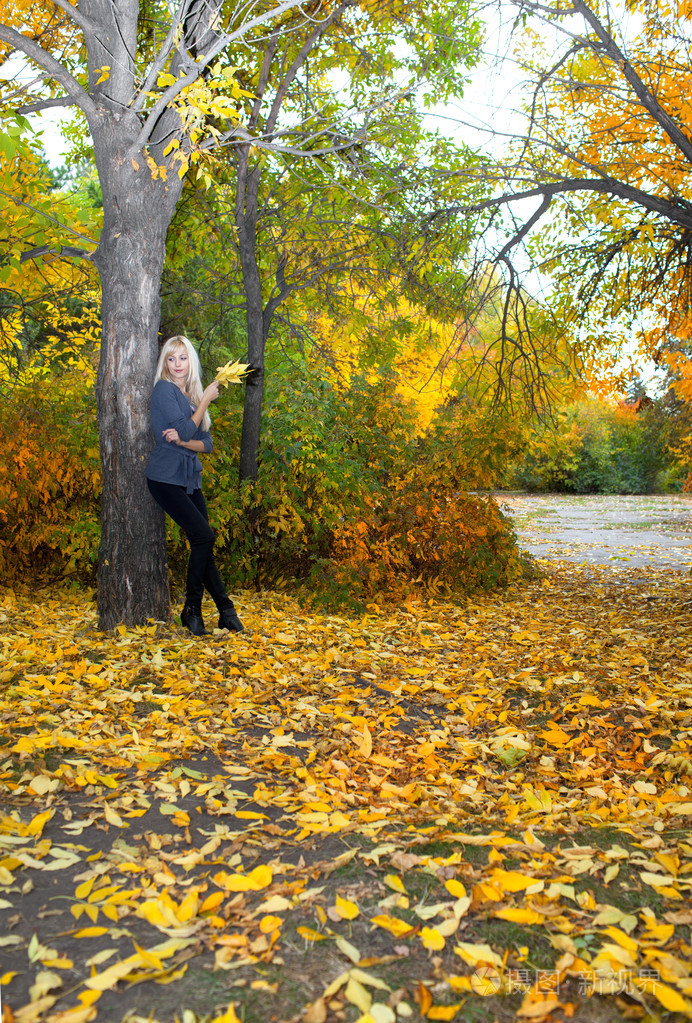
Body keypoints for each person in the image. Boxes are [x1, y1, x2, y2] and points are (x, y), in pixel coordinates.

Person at [145, 335, 244, 636]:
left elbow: (207, 443)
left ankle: (226, 611)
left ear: (191, 361)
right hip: (164, 478)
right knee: (204, 537)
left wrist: (185, 438)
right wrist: (203, 404)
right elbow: (190, 429)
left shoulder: (188, 394)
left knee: (204, 544)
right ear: (165, 363)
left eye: (183, 358)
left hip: (189, 479)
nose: (177, 364)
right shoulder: (164, 390)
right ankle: (192, 609)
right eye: (171, 359)